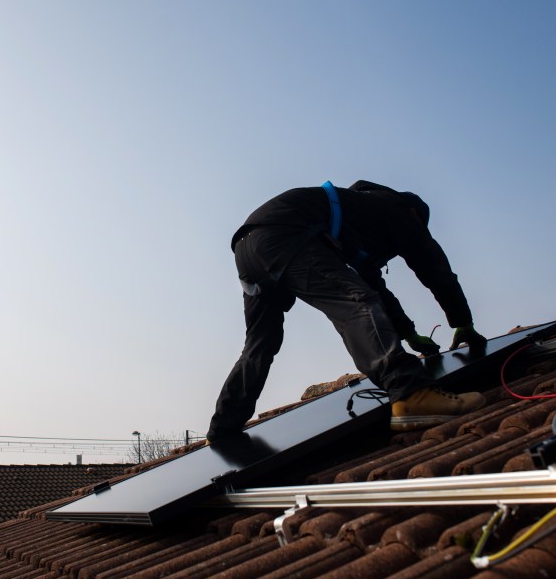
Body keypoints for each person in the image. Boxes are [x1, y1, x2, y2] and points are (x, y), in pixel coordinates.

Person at [206, 180, 488, 442]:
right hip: (284, 233)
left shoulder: (353, 220)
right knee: (356, 302)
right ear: (416, 214)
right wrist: (462, 322)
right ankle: (411, 394)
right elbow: (434, 268)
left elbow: (378, 291)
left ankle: (222, 429)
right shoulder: (399, 209)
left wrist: (409, 334)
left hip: (247, 248)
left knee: (259, 345)